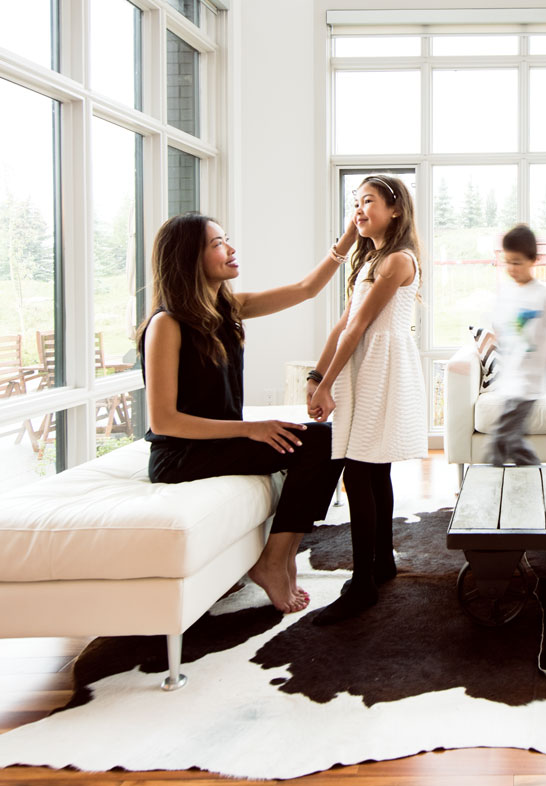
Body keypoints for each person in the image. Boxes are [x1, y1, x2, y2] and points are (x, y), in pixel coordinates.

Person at [138, 212, 357, 615]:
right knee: (319, 444)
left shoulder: (226, 309)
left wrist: (348, 238)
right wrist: (252, 428)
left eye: (227, 240)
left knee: (328, 439)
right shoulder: (167, 324)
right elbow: (164, 421)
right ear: (189, 257)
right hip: (182, 455)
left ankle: (282, 554)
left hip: (221, 442)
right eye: (218, 243)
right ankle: (274, 561)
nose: (231, 249)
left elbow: (306, 289)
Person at [306, 175, 426, 625]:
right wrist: (317, 375)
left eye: (368, 201)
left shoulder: (398, 260)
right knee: (372, 470)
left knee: (359, 472)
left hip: (381, 367)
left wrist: (326, 386)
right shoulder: (372, 259)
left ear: (395, 209)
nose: (358, 210)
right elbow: (343, 324)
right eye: (355, 203)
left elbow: (358, 329)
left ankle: (362, 584)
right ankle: (381, 563)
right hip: (365, 365)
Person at [484, 224, 546, 467]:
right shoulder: (506, 292)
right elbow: (499, 332)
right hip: (510, 379)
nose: (511, 269)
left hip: (529, 383)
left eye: (517, 262)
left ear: (533, 260)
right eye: (508, 262)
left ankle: (491, 487)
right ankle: (535, 479)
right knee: (514, 443)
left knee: (499, 440)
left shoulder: (543, 295)